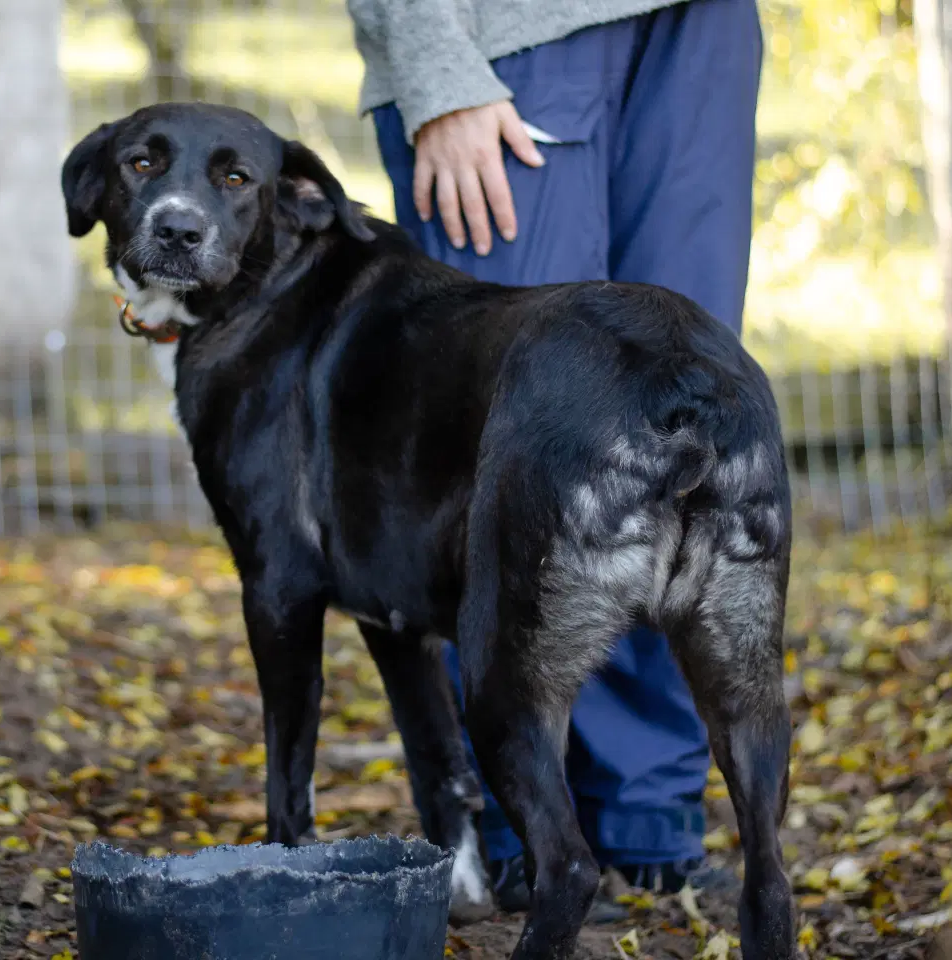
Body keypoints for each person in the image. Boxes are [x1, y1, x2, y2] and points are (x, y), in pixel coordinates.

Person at [346, 0, 764, 914]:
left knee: (674, 430)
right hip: (502, 38)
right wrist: (433, 67)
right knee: (516, 449)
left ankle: (649, 821)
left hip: (701, 30)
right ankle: (523, 828)